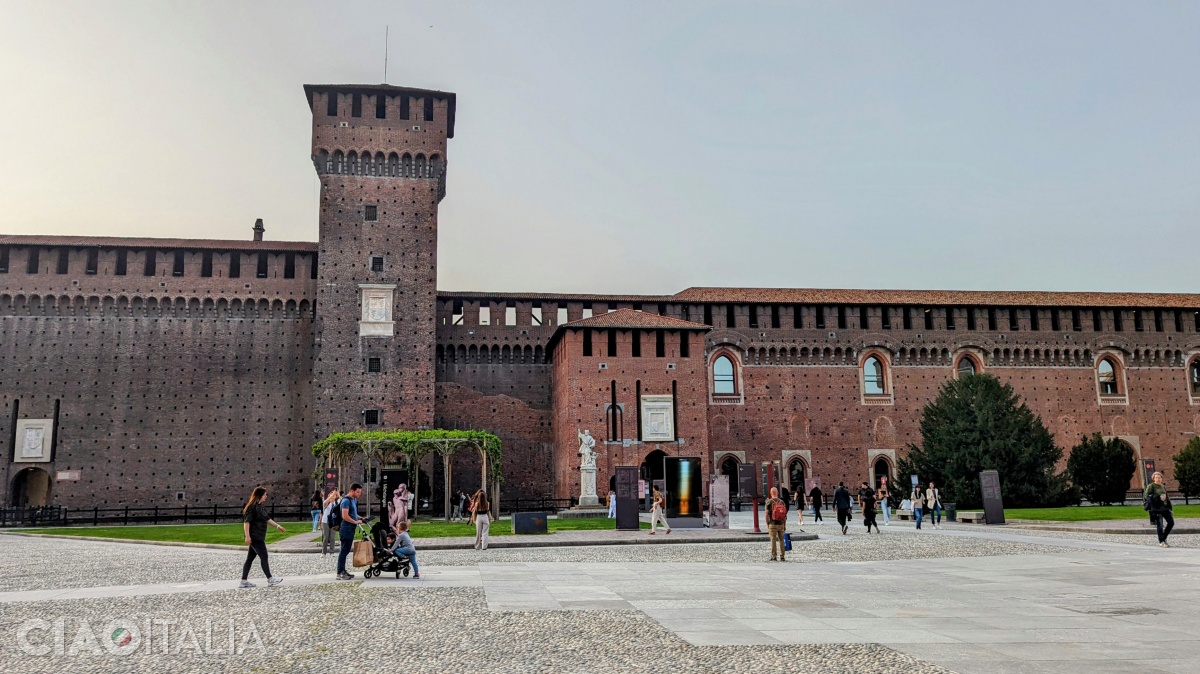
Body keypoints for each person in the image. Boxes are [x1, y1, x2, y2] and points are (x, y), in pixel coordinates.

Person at [240, 486, 285, 588]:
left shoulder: (261, 507)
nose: (266, 496)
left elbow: (267, 519)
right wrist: (247, 536)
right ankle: (270, 578)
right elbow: (246, 522)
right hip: (255, 536)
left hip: (259, 535)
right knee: (264, 556)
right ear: (260, 495)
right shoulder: (252, 507)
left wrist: (278, 526)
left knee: (250, 558)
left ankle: (243, 580)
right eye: (265, 494)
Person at [337, 483, 366, 580]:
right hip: (346, 528)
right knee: (344, 550)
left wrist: (362, 518)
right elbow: (344, 516)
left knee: (346, 549)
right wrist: (355, 522)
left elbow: (353, 513)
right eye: (358, 492)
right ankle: (340, 572)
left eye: (360, 492)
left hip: (351, 527)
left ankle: (343, 570)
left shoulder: (353, 500)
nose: (359, 494)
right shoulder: (346, 501)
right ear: (352, 491)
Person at [1144, 471, 1174, 548]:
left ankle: (1164, 538)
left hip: (1165, 507)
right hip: (1156, 508)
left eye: (1159, 477)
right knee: (1160, 525)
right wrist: (1157, 498)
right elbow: (1147, 497)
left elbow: (1167, 497)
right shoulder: (1151, 486)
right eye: (1156, 478)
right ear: (1153, 479)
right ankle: (1161, 541)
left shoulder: (1162, 486)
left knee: (1171, 523)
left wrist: (1170, 507)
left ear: (1161, 478)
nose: (1158, 479)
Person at [320, 488, 340, 555]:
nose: (333, 494)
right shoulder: (327, 502)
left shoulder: (336, 503)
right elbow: (324, 503)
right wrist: (331, 496)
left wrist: (338, 495)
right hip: (325, 521)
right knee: (326, 537)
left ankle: (332, 551)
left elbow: (343, 501)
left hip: (333, 522)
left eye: (334, 493)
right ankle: (324, 552)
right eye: (331, 493)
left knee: (332, 537)